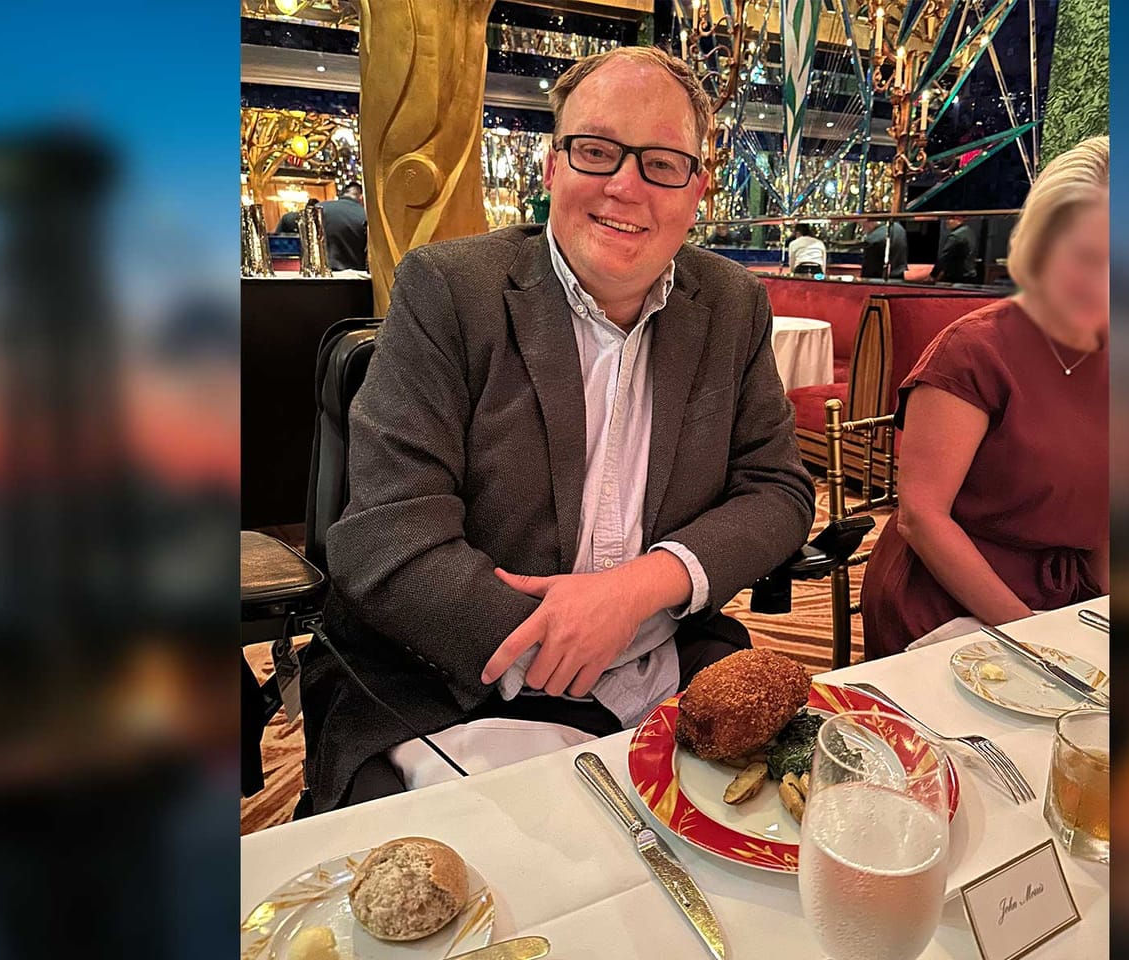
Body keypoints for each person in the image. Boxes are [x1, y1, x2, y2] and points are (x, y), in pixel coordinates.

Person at [300, 45, 816, 811]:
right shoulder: (447, 290)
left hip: (664, 656)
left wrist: (635, 592)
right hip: (453, 676)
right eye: (597, 151)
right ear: (552, 168)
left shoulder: (734, 303)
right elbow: (386, 536)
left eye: (663, 163)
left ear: (697, 190)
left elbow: (777, 490)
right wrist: (561, 641)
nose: (625, 186)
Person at [860, 136, 1110, 659]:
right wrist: (1039, 640)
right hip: (953, 599)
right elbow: (922, 516)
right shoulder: (975, 352)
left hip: (1067, 597)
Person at [320, 181, 370, 271]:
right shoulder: (366, 214)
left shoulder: (320, 208)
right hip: (354, 280)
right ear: (362, 197)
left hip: (316, 278)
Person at [932, 215, 981, 284]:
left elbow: (944, 257)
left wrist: (933, 275)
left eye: (950, 218)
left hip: (958, 277)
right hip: (970, 274)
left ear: (959, 219)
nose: (947, 221)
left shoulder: (956, 236)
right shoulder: (969, 231)